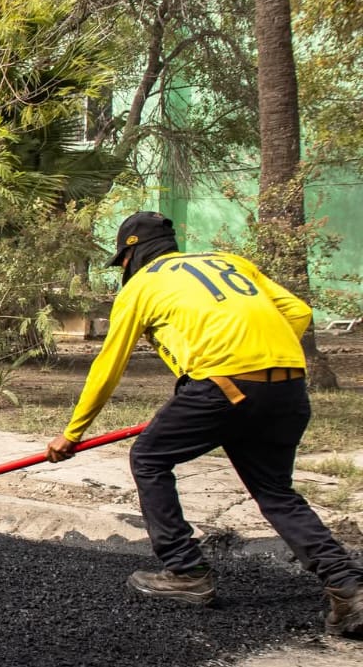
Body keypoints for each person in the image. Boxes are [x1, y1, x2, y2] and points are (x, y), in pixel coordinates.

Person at [47, 211, 362, 636]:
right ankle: (348, 588)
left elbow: (108, 365)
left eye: (122, 262)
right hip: (287, 385)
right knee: (275, 492)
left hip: (223, 386)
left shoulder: (141, 286)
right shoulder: (230, 262)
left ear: (132, 255)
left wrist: (72, 434)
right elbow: (299, 311)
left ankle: (185, 571)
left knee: (149, 458)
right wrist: (257, 353)